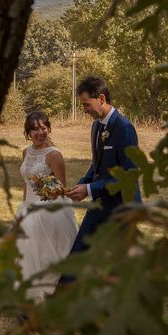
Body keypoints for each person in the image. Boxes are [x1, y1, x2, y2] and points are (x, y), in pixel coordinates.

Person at [61, 76, 141, 284]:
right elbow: (97, 164)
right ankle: (58, 305)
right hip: (99, 205)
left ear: (102, 98)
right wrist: (82, 184)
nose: (84, 110)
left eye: (86, 104)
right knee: (78, 253)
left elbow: (129, 174)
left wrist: (89, 189)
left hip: (122, 209)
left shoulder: (124, 128)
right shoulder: (96, 126)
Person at [16, 111, 78, 300]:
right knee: (25, 255)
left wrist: (44, 192)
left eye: (43, 128)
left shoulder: (54, 155)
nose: (40, 132)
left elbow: (61, 188)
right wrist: (24, 205)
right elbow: (26, 182)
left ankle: (48, 295)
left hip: (47, 210)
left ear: (49, 128)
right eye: (35, 129)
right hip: (27, 207)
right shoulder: (26, 152)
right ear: (28, 133)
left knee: (44, 256)